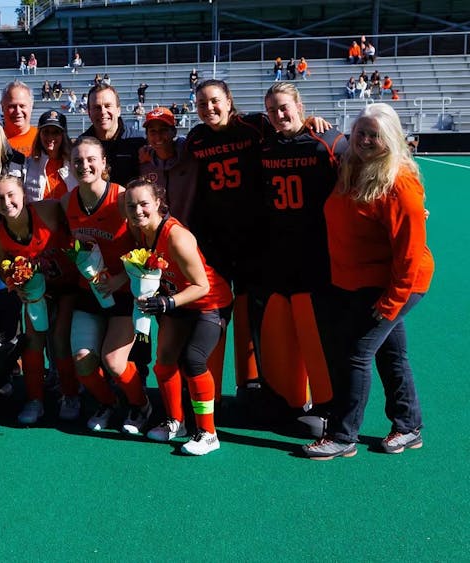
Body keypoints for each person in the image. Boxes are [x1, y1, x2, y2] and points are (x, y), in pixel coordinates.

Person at [303, 103, 433, 460]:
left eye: (374, 135)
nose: (364, 140)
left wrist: (391, 302)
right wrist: (312, 122)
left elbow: (409, 254)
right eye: (360, 132)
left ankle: (344, 437)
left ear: (390, 138)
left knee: (355, 355)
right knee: (392, 355)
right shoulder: (352, 166)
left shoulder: (400, 185)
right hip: (361, 282)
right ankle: (408, 426)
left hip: (394, 285)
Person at [255, 82, 346, 424]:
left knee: (318, 334)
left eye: (284, 107)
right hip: (280, 254)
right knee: (285, 330)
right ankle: (290, 397)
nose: (279, 115)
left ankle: (328, 404)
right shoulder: (265, 148)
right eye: (272, 110)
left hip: (319, 255)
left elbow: (365, 175)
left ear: (299, 105)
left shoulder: (329, 142)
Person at [125, 177, 232, 455]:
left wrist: (166, 303)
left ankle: (208, 433)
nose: (138, 210)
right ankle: (176, 421)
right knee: (164, 362)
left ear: (159, 203)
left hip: (209, 302)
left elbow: (202, 286)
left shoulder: (177, 236)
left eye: (144, 204)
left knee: (193, 360)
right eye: (131, 205)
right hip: (175, 302)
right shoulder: (138, 231)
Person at [186, 79, 270, 398]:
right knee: (216, 310)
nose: (209, 108)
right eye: (202, 103)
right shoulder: (196, 138)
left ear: (229, 100)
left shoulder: (254, 126)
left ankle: (253, 382)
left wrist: (311, 122)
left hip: (254, 238)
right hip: (215, 240)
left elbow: (290, 133)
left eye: (215, 101)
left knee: (254, 311)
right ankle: (210, 388)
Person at [63, 137, 152, 434]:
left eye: (91, 159)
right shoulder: (67, 202)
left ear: (104, 164)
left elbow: (149, 252)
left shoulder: (122, 198)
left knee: (114, 362)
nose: (84, 165)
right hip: (89, 292)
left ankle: (140, 405)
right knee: (83, 361)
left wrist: (121, 279)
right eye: (78, 160)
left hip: (125, 292)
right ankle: (108, 402)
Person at [0, 175, 80, 423]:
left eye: (11, 195)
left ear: (24, 196)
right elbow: (3, 270)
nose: (6, 201)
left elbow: (72, 210)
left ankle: (70, 394)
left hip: (70, 285)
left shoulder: (47, 209)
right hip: (38, 292)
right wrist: (17, 285)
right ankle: (34, 400)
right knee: (32, 340)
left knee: (61, 338)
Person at [138, 107, 197, 226]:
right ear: (147, 136)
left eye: (163, 130)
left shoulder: (192, 156)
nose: (158, 136)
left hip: (193, 232)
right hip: (160, 234)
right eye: (152, 131)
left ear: (174, 132)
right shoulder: (144, 164)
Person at [82, 83, 148, 190]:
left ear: (118, 110)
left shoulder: (139, 141)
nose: (103, 112)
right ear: (89, 113)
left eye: (108, 106)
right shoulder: (81, 146)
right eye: (97, 107)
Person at [23, 110, 76, 202]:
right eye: (46, 132)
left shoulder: (74, 165)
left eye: (56, 132)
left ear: (63, 136)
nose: (50, 137)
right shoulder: (28, 165)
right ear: (39, 135)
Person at [1, 80, 37, 157]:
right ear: (2, 107)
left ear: (31, 106)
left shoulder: (43, 139)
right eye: (12, 106)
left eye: (22, 106)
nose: (18, 111)